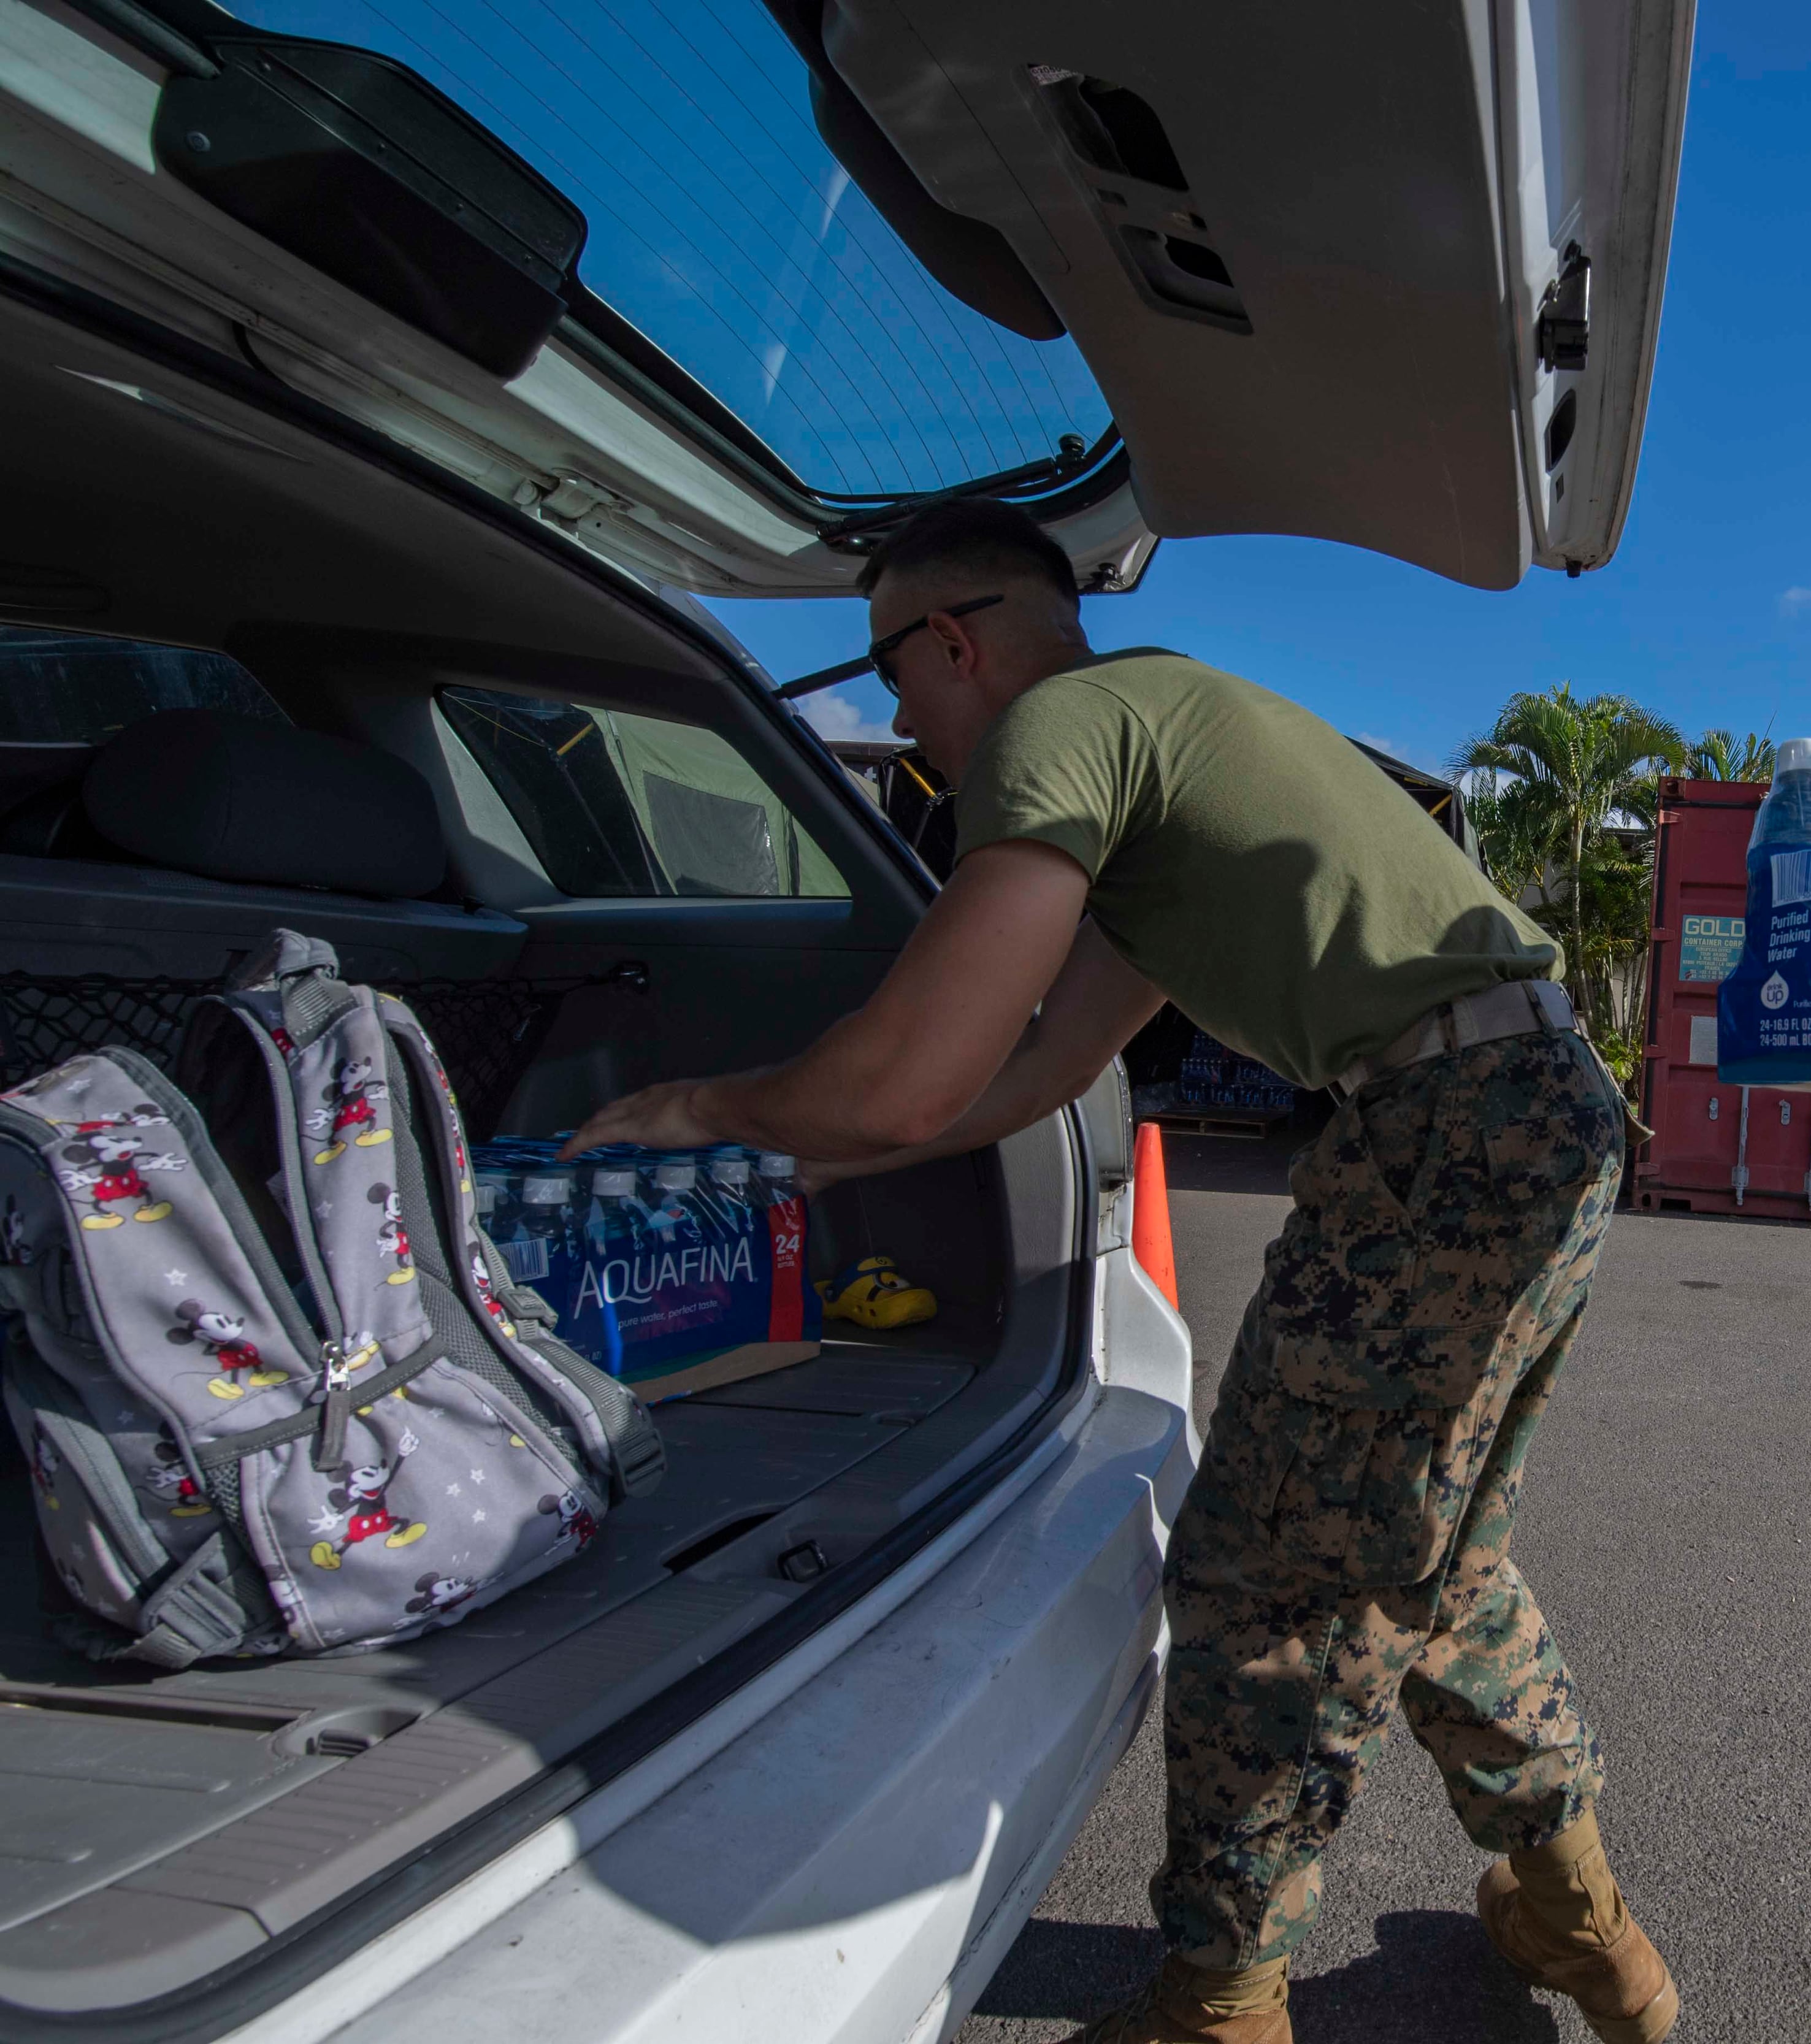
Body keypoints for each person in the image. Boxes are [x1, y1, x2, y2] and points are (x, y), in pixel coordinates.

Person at [563, 499, 1677, 2044]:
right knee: (1421, 1550)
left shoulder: (1058, 728)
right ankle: (1580, 1923)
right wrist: (829, 1157)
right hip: (1520, 1114)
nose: (902, 722)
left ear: (952, 637)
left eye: (897, 680)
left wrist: (693, 1112)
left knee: (1267, 1573)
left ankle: (1221, 2002)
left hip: (1442, 1134)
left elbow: (908, 1071)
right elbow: (1032, 1069)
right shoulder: (1162, 726)